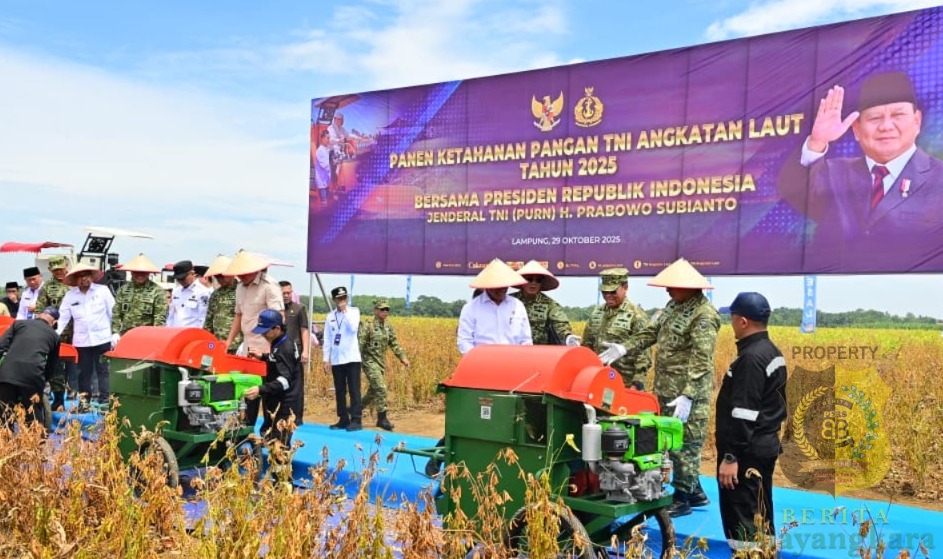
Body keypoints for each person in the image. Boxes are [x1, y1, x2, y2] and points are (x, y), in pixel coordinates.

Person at [778, 71, 943, 271]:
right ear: (856, 129)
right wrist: (817, 142)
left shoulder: (939, 178)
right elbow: (792, 189)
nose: (886, 126)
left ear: (917, 121)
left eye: (898, 115)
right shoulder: (834, 174)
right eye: (875, 118)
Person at [619, 258, 721, 517]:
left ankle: (682, 498)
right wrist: (623, 348)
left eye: (672, 286)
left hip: (687, 394)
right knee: (669, 439)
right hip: (665, 389)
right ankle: (695, 492)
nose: (667, 290)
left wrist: (688, 394)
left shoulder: (704, 315)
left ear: (689, 287)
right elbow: (650, 333)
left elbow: (702, 359)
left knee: (686, 444)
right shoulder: (673, 306)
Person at [716, 292, 787, 551]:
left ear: (743, 321)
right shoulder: (771, 351)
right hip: (763, 445)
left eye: (733, 318)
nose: (731, 323)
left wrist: (731, 457)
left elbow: (744, 413)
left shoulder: (750, 359)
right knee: (761, 514)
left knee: (743, 522)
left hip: (746, 452)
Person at [244, 309, 301, 463]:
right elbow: (276, 359)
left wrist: (260, 389)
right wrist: (263, 356)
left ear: (277, 328)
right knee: (268, 436)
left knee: (279, 443)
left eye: (265, 331)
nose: (263, 334)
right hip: (277, 400)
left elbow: (285, 380)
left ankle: (282, 476)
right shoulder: (279, 342)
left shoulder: (285, 347)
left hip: (286, 403)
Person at [581, 268, 653, 390]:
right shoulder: (597, 313)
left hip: (625, 384)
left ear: (625, 288)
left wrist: (636, 385)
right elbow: (587, 346)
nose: (608, 296)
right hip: (598, 381)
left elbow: (644, 355)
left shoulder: (636, 315)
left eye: (613, 292)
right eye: (604, 292)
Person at [56, 264, 115, 405]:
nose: (83, 279)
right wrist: (54, 334)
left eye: (86, 275)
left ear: (91, 277)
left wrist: (115, 333)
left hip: (103, 338)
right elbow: (63, 318)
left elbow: (113, 313)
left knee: (103, 370)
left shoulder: (103, 291)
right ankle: (84, 402)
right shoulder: (70, 296)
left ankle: (105, 400)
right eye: (80, 277)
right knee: (84, 372)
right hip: (82, 340)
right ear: (75, 280)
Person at [0, 306, 64, 427]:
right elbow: (52, 365)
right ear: (54, 322)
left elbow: (1, 346)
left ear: (39, 315)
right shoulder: (55, 336)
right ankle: (34, 438)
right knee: (33, 416)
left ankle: (5, 437)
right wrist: (43, 380)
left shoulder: (19, 324)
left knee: (4, 414)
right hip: (33, 376)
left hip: (8, 374)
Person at [457, 258, 532, 355]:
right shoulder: (471, 308)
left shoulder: (518, 305)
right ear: (487, 285)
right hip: (482, 360)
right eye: (496, 286)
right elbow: (464, 341)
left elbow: (526, 340)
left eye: (504, 285)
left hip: (514, 359)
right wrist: (477, 360)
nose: (501, 289)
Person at [359, 298, 410, 431]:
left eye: (387, 309)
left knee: (373, 391)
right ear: (375, 310)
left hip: (380, 363)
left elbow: (394, 343)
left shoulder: (387, 327)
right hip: (369, 362)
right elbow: (359, 345)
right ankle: (382, 419)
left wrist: (402, 357)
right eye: (382, 309)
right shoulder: (368, 326)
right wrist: (356, 364)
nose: (385, 312)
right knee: (381, 388)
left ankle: (355, 410)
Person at [224, 251, 283, 355]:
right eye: (239, 274)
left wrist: (270, 347)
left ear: (254, 270)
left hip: (264, 343)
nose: (241, 277)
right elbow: (238, 315)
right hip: (247, 342)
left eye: (244, 273)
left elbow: (278, 316)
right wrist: (228, 342)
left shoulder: (269, 285)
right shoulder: (239, 287)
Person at [34, 256, 78, 395]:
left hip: (77, 331)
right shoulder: (47, 287)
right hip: (55, 332)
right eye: (55, 270)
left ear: (66, 266)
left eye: (60, 268)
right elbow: (39, 311)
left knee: (75, 362)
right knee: (56, 363)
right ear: (49, 270)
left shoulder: (76, 282)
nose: (58, 272)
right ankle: (58, 393)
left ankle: (73, 390)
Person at [322, 286, 363, 431]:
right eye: (339, 298)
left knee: (354, 390)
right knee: (340, 390)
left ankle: (356, 419)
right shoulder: (330, 316)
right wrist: (326, 359)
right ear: (334, 299)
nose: (341, 300)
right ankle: (343, 418)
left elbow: (353, 328)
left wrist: (345, 311)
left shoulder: (354, 312)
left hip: (352, 358)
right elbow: (327, 339)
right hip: (337, 358)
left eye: (344, 297)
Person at [511, 260, 575, 346]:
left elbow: (560, 324)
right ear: (522, 281)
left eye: (538, 280)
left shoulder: (549, 304)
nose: (533, 283)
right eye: (529, 279)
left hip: (539, 351)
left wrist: (568, 337)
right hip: (513, 350)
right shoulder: (510, 301)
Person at [111, 253, 168, 342]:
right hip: (126, 335)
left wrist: (157, 337)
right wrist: (115, 332)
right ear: (131, 272)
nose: (139, 275)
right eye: (136, 272)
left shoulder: (157, 291)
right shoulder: (123, 289)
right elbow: (117, 313)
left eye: (143, 272)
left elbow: (159, 318)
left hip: (147, 337)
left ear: (148, 273)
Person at [279, 280, 310, 424]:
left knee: (296, 386)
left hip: (295, 352)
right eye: (283, 293)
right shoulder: (275, 309)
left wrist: (306, 351)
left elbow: (304, 330)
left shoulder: (299, 309)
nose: (286, 295)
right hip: (279, 354)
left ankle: (297, 417)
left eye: (288, 293)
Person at [202, 255, 242, 352]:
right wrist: (205, 339)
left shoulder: (241, 291)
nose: (219, 279)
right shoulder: (215, 294)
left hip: (236, 345)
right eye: (216, 276)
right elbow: (209, 320)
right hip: (216, 344)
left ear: (231, 273)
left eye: (222, 276)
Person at [166, 260, 212, 328]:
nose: (181, 281)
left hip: (192, 332)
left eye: (183, 278)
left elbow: (203, 318)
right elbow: (171, 316)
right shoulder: (176, 291)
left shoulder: (202, 292)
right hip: (176, 331)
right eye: (178, 279)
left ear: (192, 273)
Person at [314, 129, 332, 203]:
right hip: (322, 181)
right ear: (322, 138)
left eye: (329, 138)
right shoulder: (319, 151)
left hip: (326, 180)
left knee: (327, 201)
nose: (328, 140)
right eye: (327, 138)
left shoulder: (326, 149)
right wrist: (331, 161)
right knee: (324, 202)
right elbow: (323, 165)